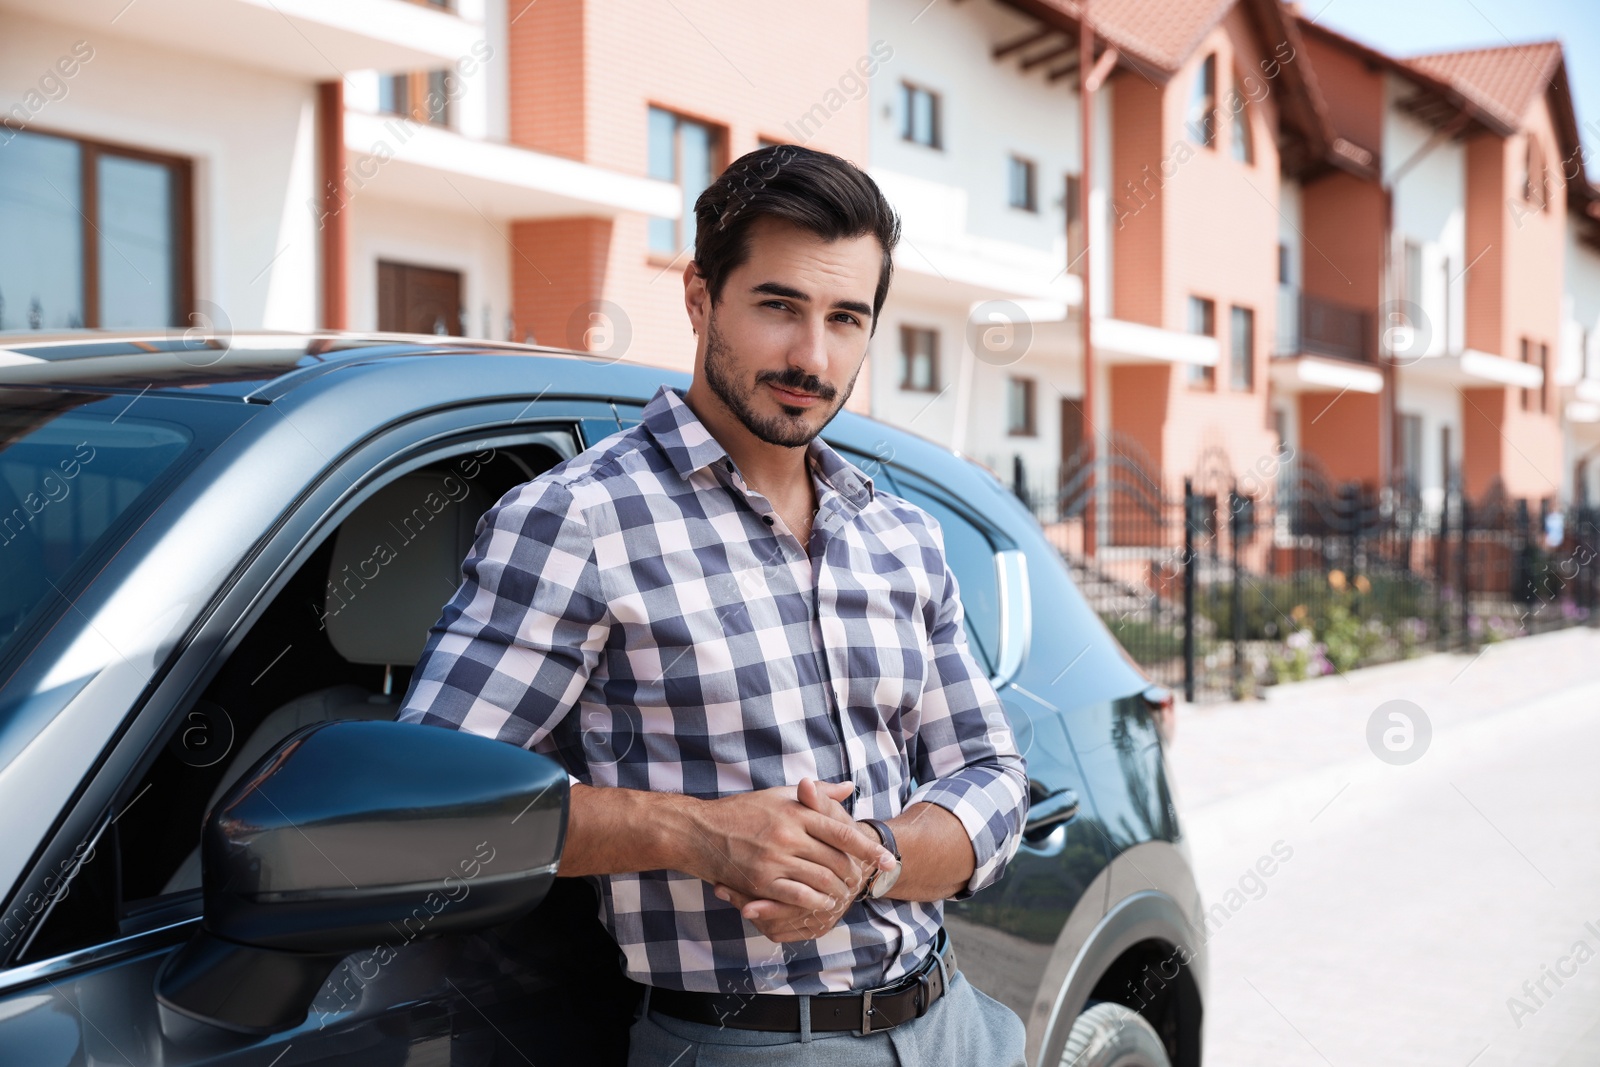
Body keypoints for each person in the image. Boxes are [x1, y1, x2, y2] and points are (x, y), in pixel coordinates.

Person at [397, 143, 1029, 1065]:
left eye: (846, 318)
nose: (813, 356)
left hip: (957, 1026)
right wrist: (697, 835)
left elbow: (994, 776)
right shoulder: (577, 520)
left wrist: (865, 857)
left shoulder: (903, 535)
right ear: (700, 297)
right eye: (779, 306)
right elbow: (433, 802)